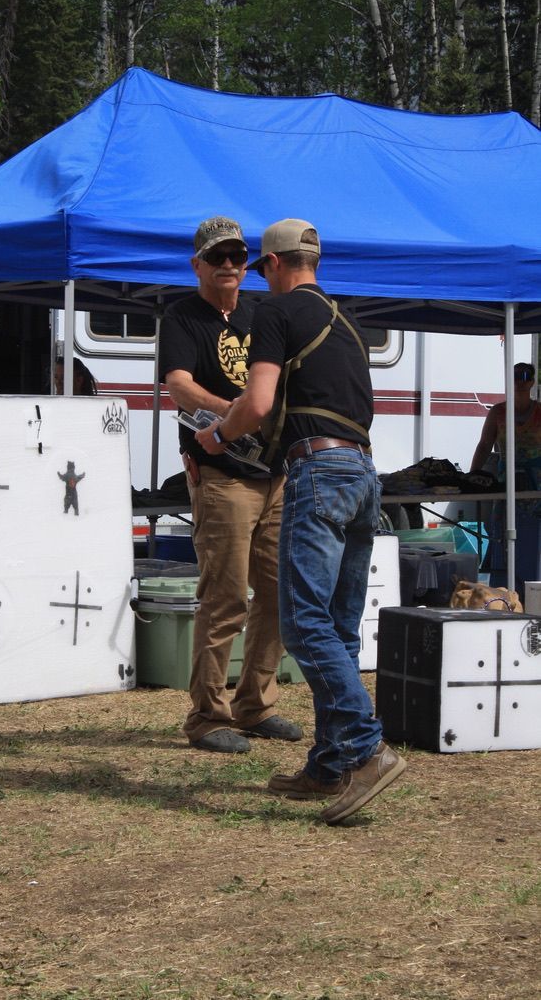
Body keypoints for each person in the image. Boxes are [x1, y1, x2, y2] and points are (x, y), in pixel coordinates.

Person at [196, 218, 406, 823]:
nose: (261, 278)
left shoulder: (276, 314)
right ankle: (329, 763)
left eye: (261, 268)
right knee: (338, 628)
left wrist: (219, 435)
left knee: (304, 622)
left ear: (276, 265)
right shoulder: (346, 321)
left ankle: (366, 750)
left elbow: (258, 404)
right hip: (365, 476)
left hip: (317, 473)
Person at [159, 215, 303, 753]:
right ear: (196, 263)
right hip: (221, 475)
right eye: (216, 257)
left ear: (249, 266)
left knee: (275, 594)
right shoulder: (181, 316)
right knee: (224, 598)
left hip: (274, 474)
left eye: (237, 257)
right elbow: (178, 386)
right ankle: (207, 715)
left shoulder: (263, 313)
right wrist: (239, 412)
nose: (228, 266)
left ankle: (255, 705)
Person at [470, 361, 541, 591]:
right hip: (505, 488)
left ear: (532, 381)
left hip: (535, 493)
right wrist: (471, 478)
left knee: (532, 550)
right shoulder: (498, 412)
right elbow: (484, 445)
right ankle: (503, 598)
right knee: (503, 547)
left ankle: (531, 600)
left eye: (525, 376)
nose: (520, 382)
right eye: (515, 377)